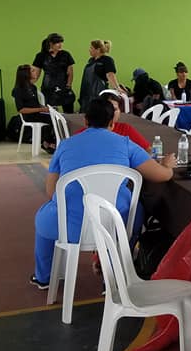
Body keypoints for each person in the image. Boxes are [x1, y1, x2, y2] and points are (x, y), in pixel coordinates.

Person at [31, 98, 175, 289]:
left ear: (85, 120)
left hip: (67, 226)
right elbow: (161, 176)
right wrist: (167, 166)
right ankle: (114, 275)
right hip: (115, 224)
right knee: (135, 211)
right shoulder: (125, 144)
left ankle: (44, 277)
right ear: (112, 122)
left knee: (44, 218)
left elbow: (51, 191)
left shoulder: (65, 145)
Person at [73, 91, 150, 152]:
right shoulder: (80, 135)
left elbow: (148, 150)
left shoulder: (125, 129)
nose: (112, 112)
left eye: (115, 109)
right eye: (109, 109)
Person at [12, 64, 55, 152]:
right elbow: (21, 109)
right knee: (52, 119)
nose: (36, 72)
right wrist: (41, 109)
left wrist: (47, 108)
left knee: (56, 117)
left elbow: (36, 104)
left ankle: (51, 141)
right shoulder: (18, 90)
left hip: (37, 113)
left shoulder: (33, 87)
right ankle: (47, 143)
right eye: (32, 71)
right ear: (26, 74)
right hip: (29, 116)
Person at [32, 33, 75, 113]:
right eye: (58, 43)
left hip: (64, 86)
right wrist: (29, 85)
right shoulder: (41, 56)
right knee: (50, 112)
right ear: (51, 44)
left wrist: (68, 85)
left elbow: (70, 72)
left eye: (61, 42)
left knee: (69, 109)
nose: (60, 45)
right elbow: (36, 74)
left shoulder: (66, 54)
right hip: (48, 87)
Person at [78, 39, 122, 112]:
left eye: (91, 48)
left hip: (98, 93)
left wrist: (117, 88)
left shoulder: (107, 60)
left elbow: (110, 75)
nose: (89, 50)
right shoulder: (91, 61)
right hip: (86, 93)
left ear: (98, 50)